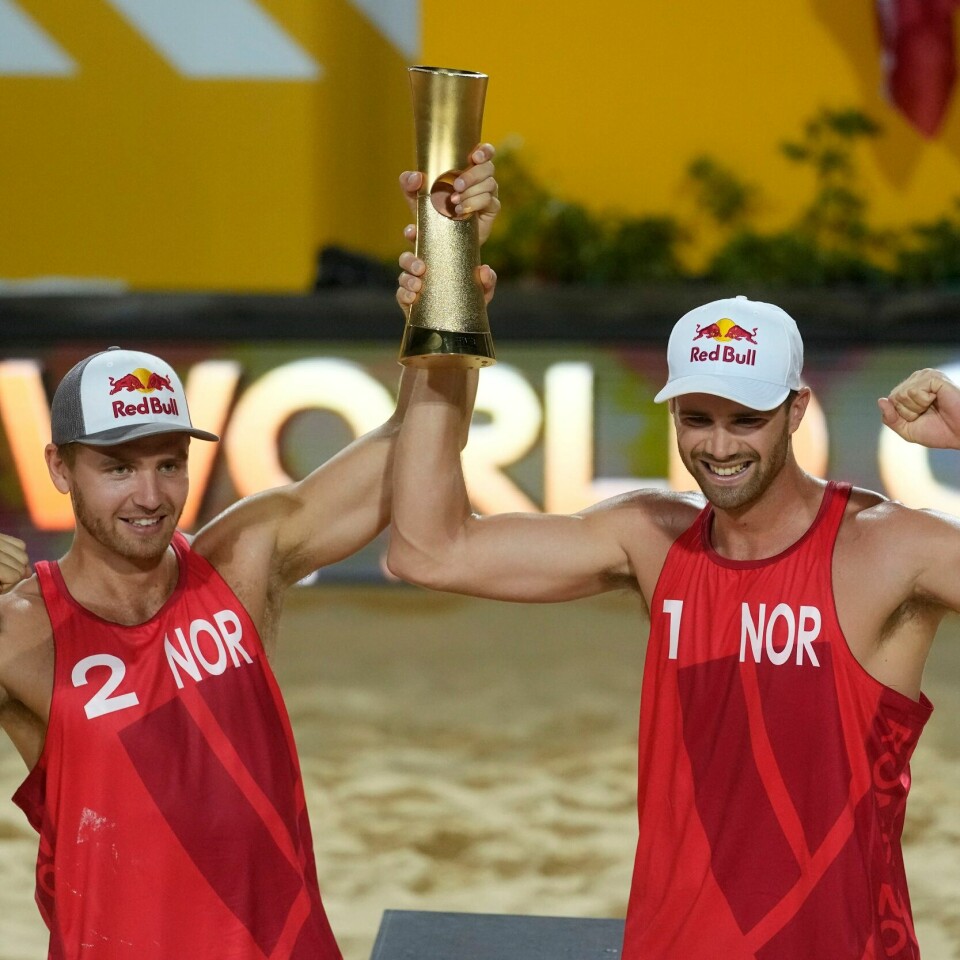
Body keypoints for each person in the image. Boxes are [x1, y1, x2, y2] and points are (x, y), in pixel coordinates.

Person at [0, 148, 499, 960]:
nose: (150, 496)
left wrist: (451, 275)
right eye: (118, 468)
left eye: (169, 464)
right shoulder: (22, 631)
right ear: (59, 468)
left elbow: (414, 444)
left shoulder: (240, 560)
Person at [387, 289, 960, 958]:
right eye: (696, 418)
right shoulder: (652, 535)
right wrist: (445, 316)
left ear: (797, 410)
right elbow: (428, 550)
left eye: (746, 419)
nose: (718, 446)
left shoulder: (890, 548)